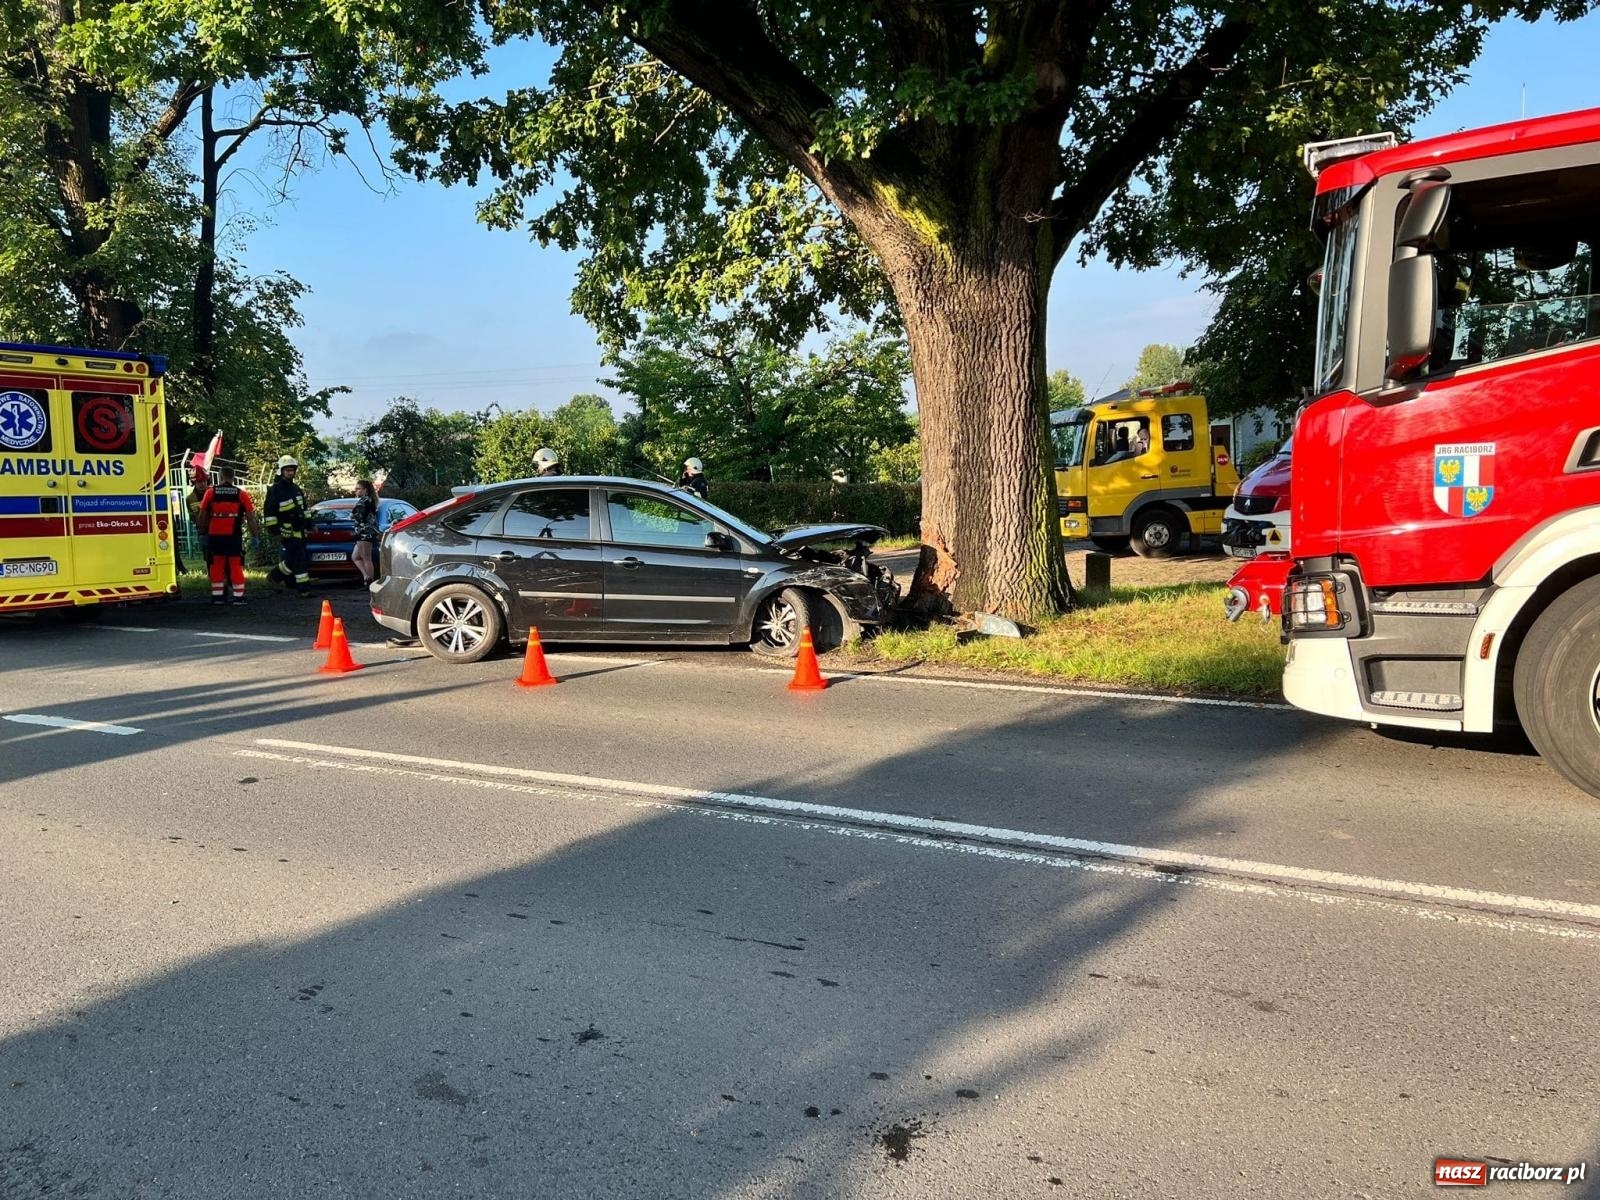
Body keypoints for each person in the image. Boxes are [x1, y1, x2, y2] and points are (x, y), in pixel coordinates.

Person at [198, 466, 260, 605]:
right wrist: (255, 536)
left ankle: (217, 597)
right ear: (233, 477)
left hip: (215, 535)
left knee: (217, 564)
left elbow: (202, 514)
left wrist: (202, 533)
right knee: (235, 565)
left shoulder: (210, 492)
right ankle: (238, 597)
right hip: (233, 535)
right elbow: (250, 517)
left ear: (220, 477)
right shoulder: (241, 494)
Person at [262, 455, 313, 595]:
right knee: (299, 558)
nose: (290, 472)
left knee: (294, 559)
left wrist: (309, 524)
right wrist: (275, 529)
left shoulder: (296, 488)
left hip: (300, 529)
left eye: (292, 470)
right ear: (281, 471)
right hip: (287, 530)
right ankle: (304, 590)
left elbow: (304, 509)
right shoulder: (275, 490)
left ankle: (274, 577)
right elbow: (270, 511)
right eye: (287, 470)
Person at [350, 479, 381, 587]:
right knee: (355, 557)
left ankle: (370, 583)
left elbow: (359, 516)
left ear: (365, 490)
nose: (356, 491)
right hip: (365, 532)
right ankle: (366, 577)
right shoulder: (370, 500)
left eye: (358, 489)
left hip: (364, 533)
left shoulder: (364, 501)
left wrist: (352, 515)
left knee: (366, 558)